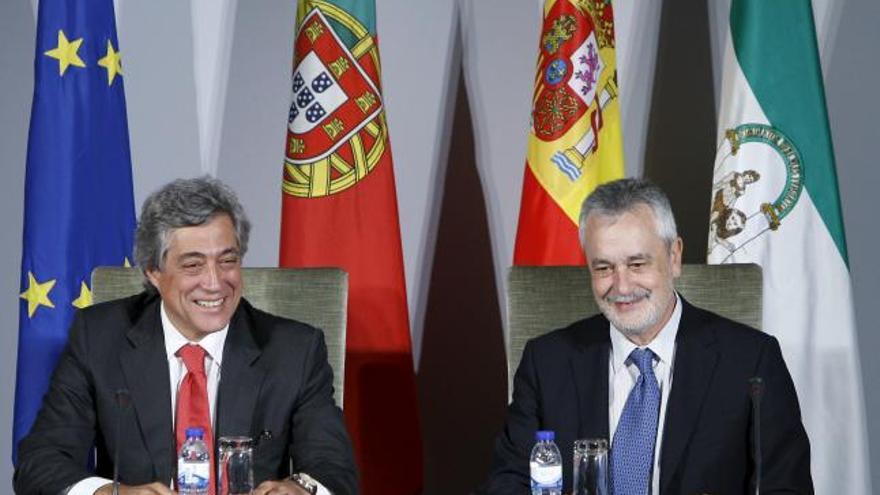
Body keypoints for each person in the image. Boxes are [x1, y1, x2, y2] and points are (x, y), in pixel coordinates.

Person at [14, 177, 357, 495]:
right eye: (193, 265)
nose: (214, 282)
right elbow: (40, 462)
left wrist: (300, 489)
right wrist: (110, 493)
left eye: (228, 261)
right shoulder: (100, 337)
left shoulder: (294, 350)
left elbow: (334, 470)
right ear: (154, 272)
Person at [481, 178, 812, 494]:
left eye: (637, 264)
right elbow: (506, 483)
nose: (622, 286)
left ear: (675, 257)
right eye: (603, 268)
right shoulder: (547, 362)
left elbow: (786, 487)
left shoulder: (750, 362)